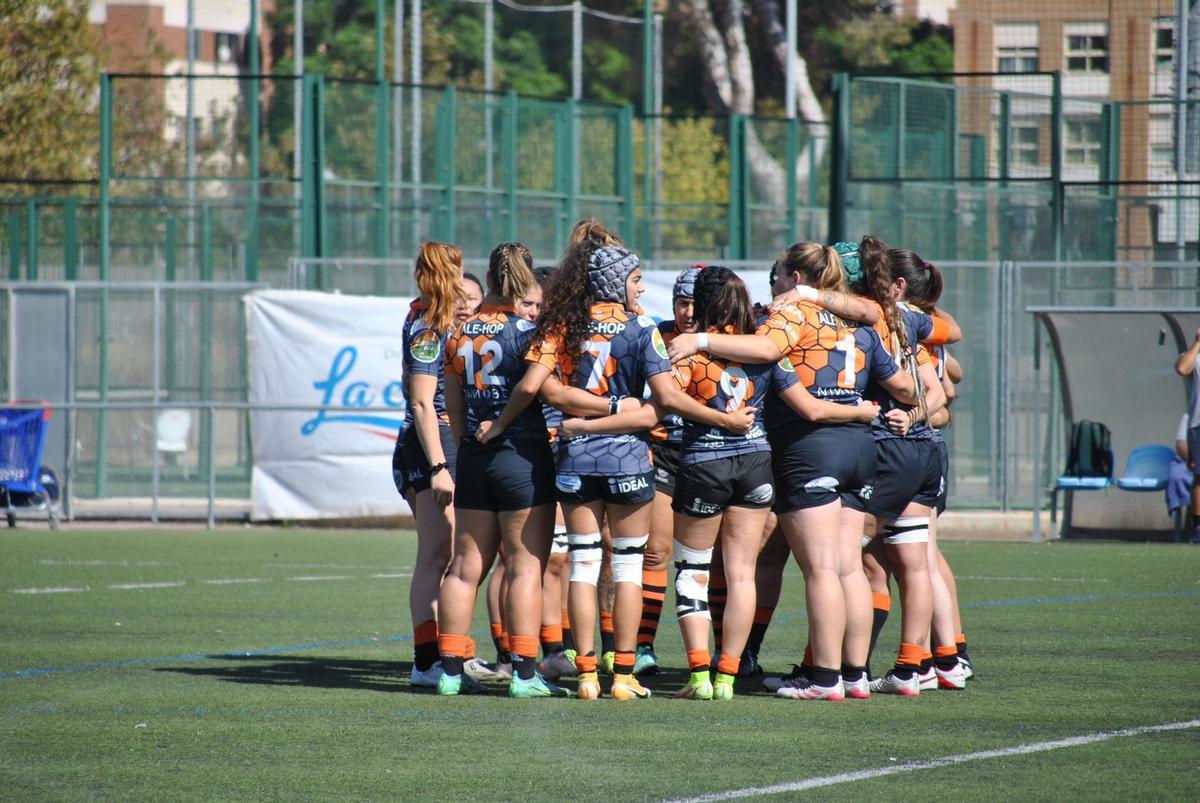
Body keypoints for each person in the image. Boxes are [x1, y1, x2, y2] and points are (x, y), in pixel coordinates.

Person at [483, 242, 751, 700]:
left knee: (583, 566)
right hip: (628, 459)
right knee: (626, 568)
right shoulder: (642, 327)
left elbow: (545, 390)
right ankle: (623, 675)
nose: (642, 287)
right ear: (615, 282)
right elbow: (663, 401)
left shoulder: (561, 325)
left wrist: (576, 421)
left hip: (575, 458)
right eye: (635, 279)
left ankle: (586, 674)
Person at [436, 242, 568, 697]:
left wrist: (464, 443)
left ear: (489, 279)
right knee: (525, 567)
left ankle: (450, 672)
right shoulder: (532, 332)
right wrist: (503, 425)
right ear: (525, 281)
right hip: (521, 457)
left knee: (464, 567)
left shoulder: (459, 331)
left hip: (474, 455)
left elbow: (451, 397)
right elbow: (534, 388)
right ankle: (525, 675)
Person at [392, 242, 466, 687]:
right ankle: (426, 663)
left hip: (443, 442)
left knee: (452, 554)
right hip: (429, 447)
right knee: (437, 555)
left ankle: (448, 656)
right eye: (457, 271)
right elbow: (421, 403)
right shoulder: (427, 327)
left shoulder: (436, 320)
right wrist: (439, 466)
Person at [636, 266, 702, 676]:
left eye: (696, 303)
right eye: (682, 302)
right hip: (662, 454)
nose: (688, 312)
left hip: (707, 456)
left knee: (708, 562)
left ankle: (727, 655)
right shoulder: (655, 335)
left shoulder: (729, 339)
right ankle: (644, 645)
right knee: (656, 552)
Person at [1174, 328, 1200, 545]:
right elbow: (1182, 368)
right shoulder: (1194, 355)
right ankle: (1198, 528)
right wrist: (1198, 343)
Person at [1169, 414, 1195, 537]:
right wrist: (1195, 461)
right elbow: (1181, 445)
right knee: (1176, 475)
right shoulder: (1189, 416)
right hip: (1192, 462)